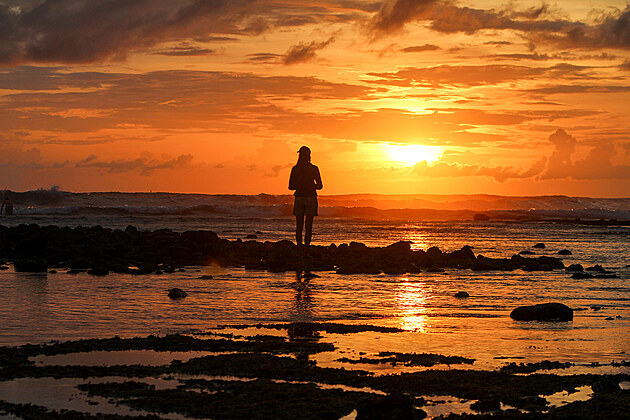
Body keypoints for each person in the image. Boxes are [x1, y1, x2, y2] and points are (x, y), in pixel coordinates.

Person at [289, 146, 322, 257]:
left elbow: (291, 187)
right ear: (309, 155)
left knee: (299, 225)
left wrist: (300, 184)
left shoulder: (295, 169)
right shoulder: (314, 168)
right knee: (309, 226)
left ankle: (299, 250)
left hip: (299, 197)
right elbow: (320, 186)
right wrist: (311, 185)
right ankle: (306, 250)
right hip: (311, 197)